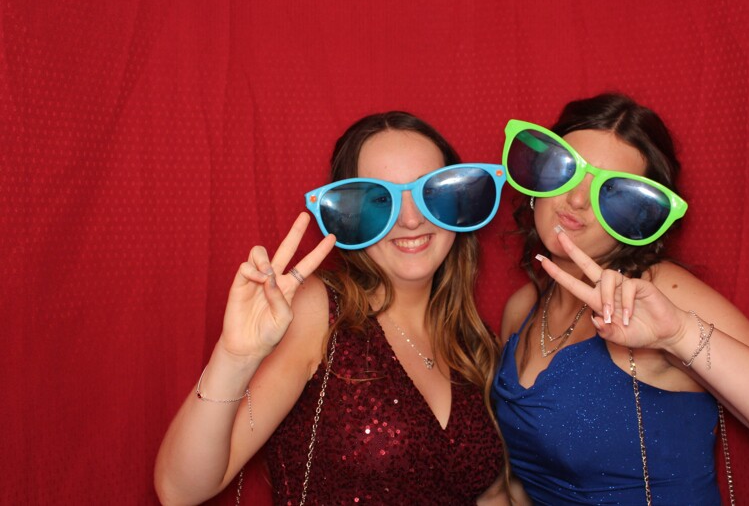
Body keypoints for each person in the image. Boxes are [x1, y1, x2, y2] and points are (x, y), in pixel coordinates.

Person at [491, 93, 749, 505]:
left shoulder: (660, 293)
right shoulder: (522, 309)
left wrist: (679, 334)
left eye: (612, 192)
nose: (577, 200)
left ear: (640, 219)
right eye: (565, 170)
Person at [155, 111, 510, 505]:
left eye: (431, 193)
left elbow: (491, 494)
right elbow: (179, 491)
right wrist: (234, 357)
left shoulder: (474, 342)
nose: (411, 220)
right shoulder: (320, 312)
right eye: (381, 200)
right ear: (350, 216)